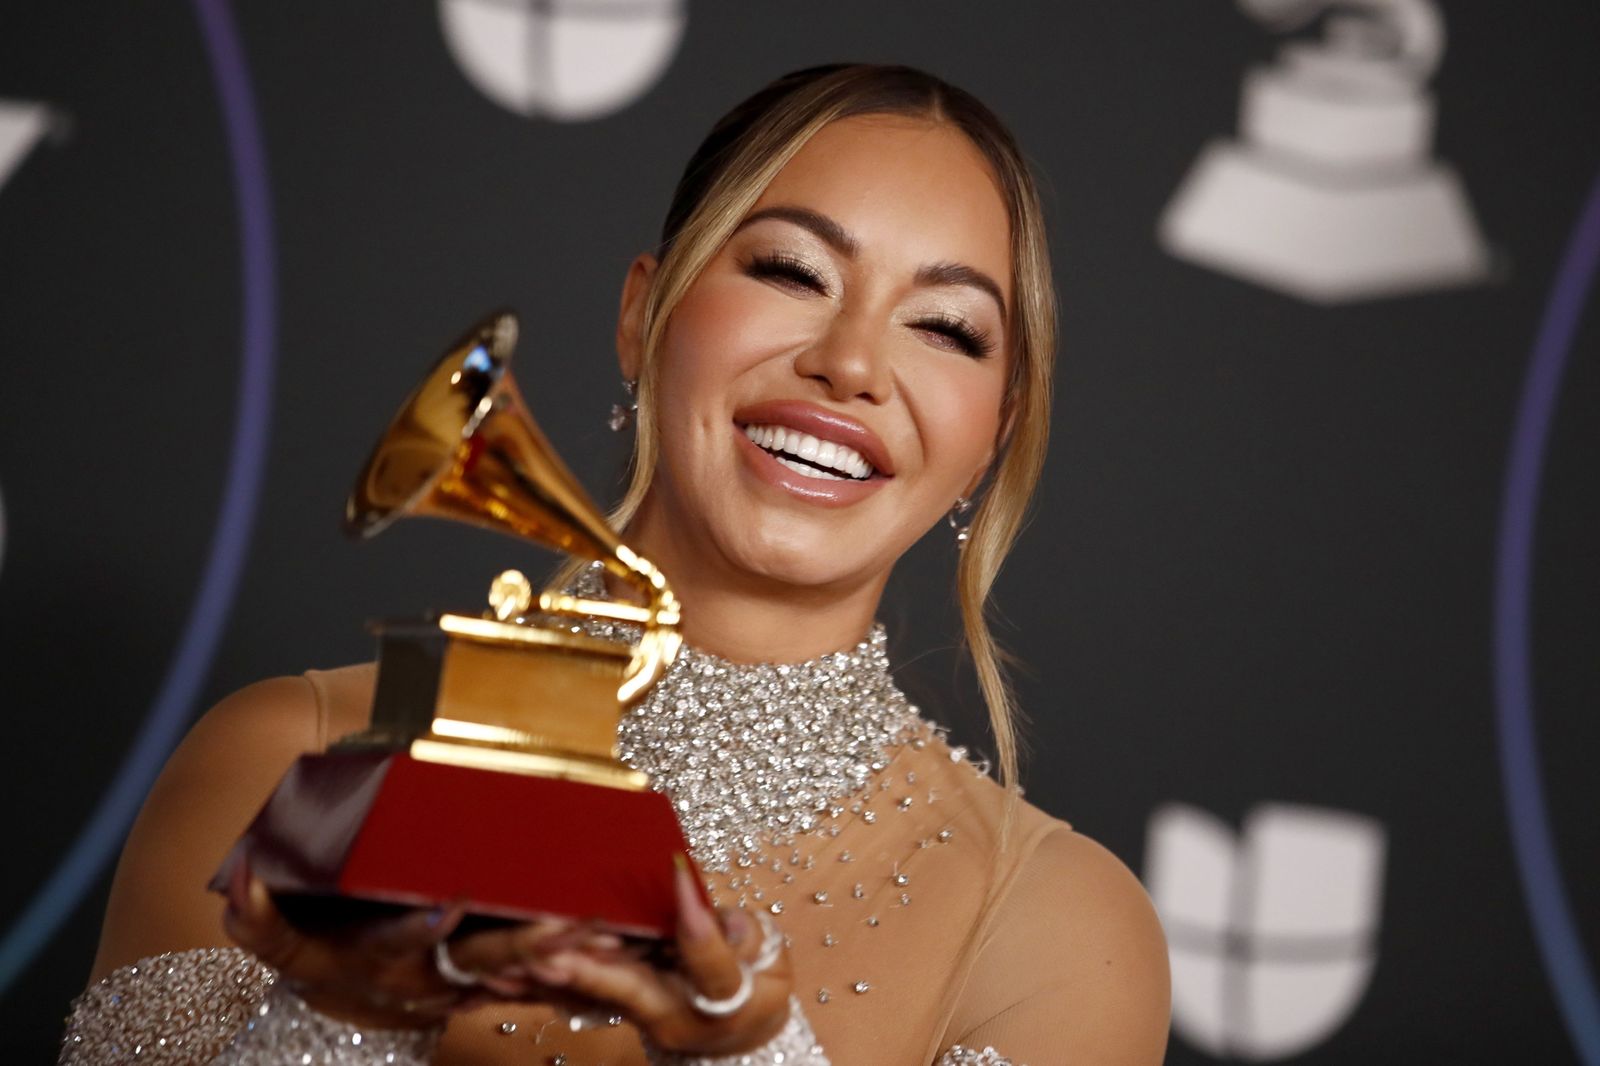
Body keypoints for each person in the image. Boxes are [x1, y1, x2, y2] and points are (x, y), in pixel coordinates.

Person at [61, 64, 1170, 1065]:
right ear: (643, 314)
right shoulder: (284, 757)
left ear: (996, 430)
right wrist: (340, 1015)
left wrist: (752, 1054)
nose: (847, 365)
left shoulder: (1060, 925)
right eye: (791, 269)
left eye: (946, 327)